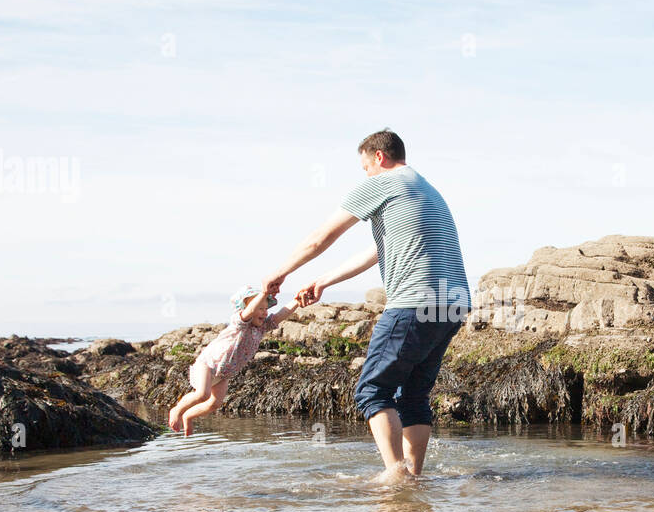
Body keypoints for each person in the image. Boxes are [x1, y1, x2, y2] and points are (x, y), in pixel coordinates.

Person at [265, 129, 470, 483]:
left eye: (365, 168)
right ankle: (414, 477)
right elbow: (378, 252)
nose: (365, 176)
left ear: (379, 157)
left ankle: (395, 477)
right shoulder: (424, 189)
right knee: (414, 395)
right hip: (453, 303)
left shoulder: (384, 181)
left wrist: (279, 274)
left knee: (372, 390)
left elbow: (320, 237)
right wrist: (323, 281)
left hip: (414, 302)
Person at [167, 287, 298, 436]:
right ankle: (177, 410)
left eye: (266, 308)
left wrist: (297, 301)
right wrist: (264, 293)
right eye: (260, 308)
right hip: (208, 364)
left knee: (215, 404)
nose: (265, 312)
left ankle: (188, 416)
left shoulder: (261, 329)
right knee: (202, 394)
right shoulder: (239, 323)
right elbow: (249, 311)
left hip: (224, 373)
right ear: (245, 308)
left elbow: (281, 315)